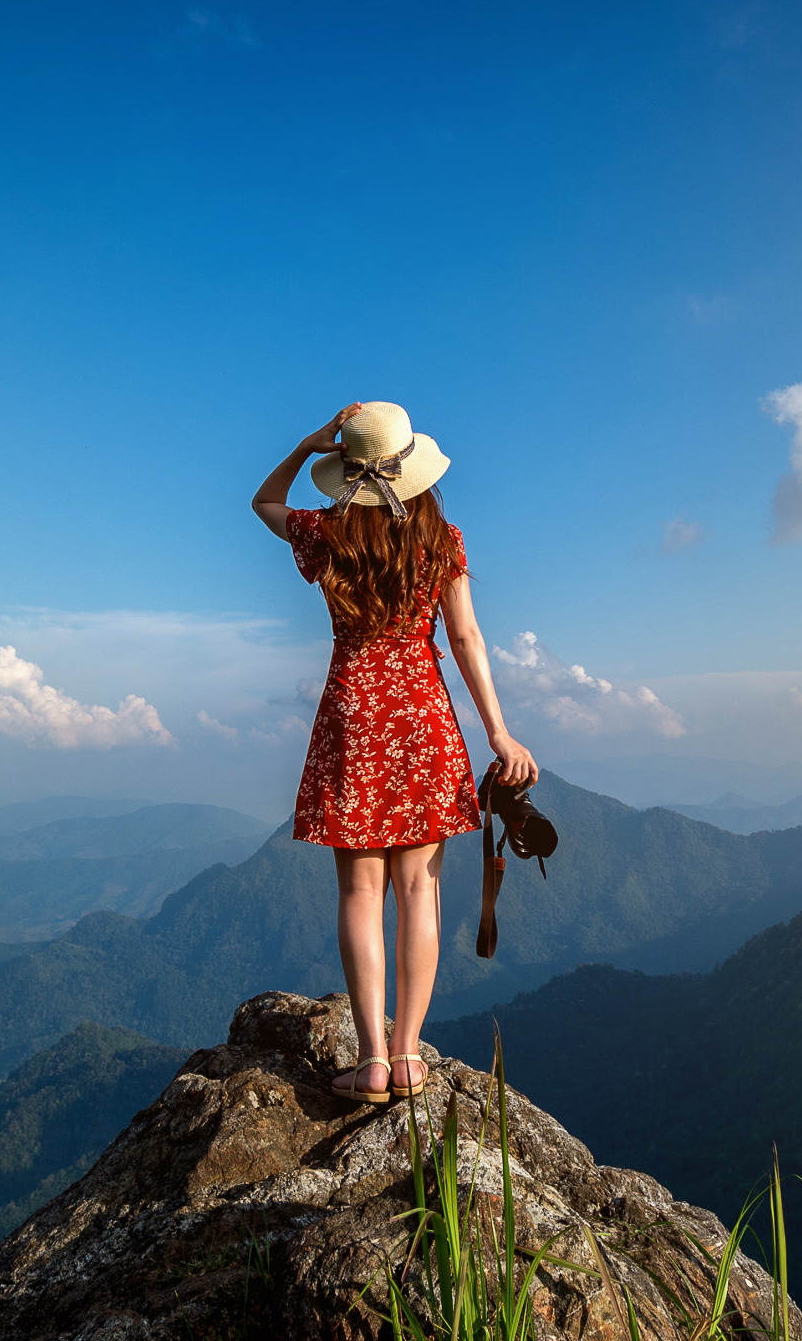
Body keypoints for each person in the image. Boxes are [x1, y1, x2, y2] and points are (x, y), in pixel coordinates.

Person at [250, 401, 539, 1105]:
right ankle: (409, 1056)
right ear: (414, 468)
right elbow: (467, 640)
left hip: (353, 714)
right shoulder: (443, 537)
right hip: (421, 716)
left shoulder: (323, 533)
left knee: (359, 891)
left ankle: (373, 1061)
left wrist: (302, 445)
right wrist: (499, 733)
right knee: (420, 890)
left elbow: (263, 501)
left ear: (345, 467)